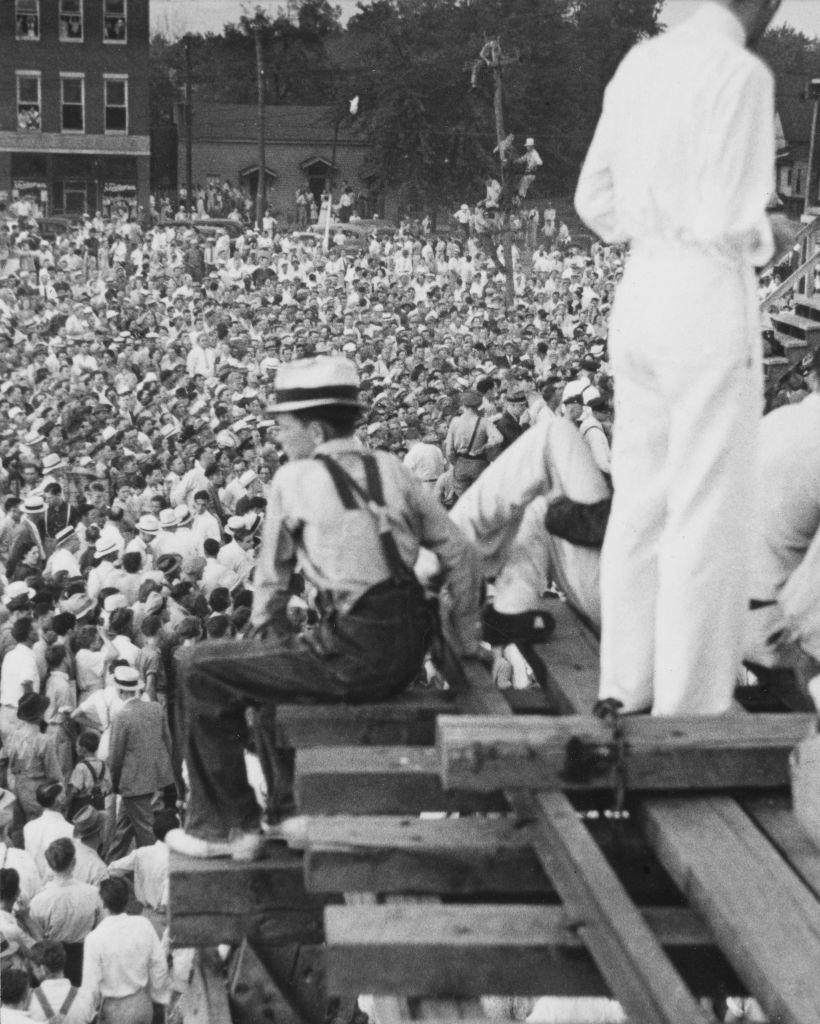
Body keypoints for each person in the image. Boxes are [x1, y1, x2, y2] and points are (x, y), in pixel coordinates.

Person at [167, 357, 482, 859]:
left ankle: (227, 827)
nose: (278, 438)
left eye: (283, 427)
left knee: (196, 669)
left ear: (314, 428)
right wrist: (466, 641)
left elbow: (270, 588)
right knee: (268, 665)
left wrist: (260, 632)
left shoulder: (293, 480)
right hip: (405, 646)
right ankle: (289, 812)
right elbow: (461, 554)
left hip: (355, 651)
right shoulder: (392, 469)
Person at [575, 0, 793, 715]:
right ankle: (692, 703)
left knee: (642, 495)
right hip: (703, 295)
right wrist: (776, 234)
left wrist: (649, 225)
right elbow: (731, 218)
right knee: (706, 505)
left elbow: (592, 201)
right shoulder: (740, 74)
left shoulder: (641, 63)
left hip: (640, 291)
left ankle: (626, 682)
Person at [107, 667, 176, 861]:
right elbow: (168, 743)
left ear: (120, 691)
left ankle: (152, 871)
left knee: (147, 835)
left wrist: (113, 784)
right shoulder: (155, 708)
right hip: (155, 780)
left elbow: (115, 757)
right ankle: (110, 869)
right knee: (122, 830)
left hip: (133, 785)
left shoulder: (121, 716)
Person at [80, 877, 170, 1024]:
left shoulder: (94, 938)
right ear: (127, 900)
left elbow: (91, 986)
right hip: (142, 1003)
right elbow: (159, 964)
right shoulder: (143, 925)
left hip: (114, 1009)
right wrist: (159, 997)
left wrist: (86, 1016)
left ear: (103, 903)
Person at [29, 837, 103, 986]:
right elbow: (100, 926)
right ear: (74, 862)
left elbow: (36, 934)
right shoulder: (94, 894)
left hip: (52, 962)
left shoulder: (39, 900)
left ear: (49, 865)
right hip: (84, 957)